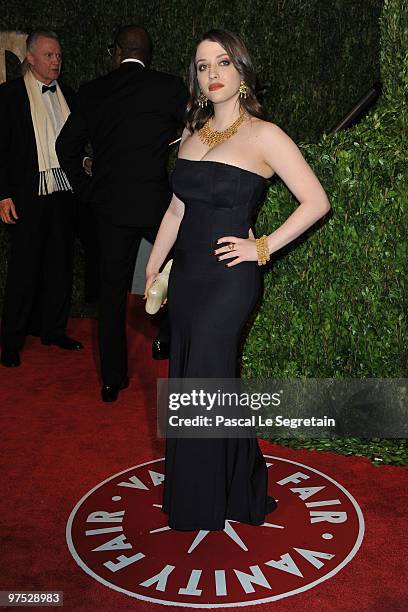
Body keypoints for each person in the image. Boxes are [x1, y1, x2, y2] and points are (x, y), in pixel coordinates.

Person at [145, 29, 331, 531]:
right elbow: (177, 210)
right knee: (197, 377)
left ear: (242, 70)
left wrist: (262, 246)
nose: (213, 75)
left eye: (222, 63)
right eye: (203, 66)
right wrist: (153, 265)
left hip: (230, 277)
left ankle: (201, 505)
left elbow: (317, 202)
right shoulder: (191, 134)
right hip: (186, 277)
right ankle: (237, 483)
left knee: (206, 373)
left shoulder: (265, 135)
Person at [56, 25, 188, 402]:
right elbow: (199, 132)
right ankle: (168, 343)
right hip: (158, 207)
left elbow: (65, 146)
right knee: (181, 272)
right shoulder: (168, 87)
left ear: (116, 53)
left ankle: (112, 380)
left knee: (111, 294)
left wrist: (87, 192)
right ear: (149, 56)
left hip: (110, 208)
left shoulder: (92, 91)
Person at [0, 29, 83, 369]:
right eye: (49, 55)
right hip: (27, 192)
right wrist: (3, 193)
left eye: (59, 55)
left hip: (65, 191)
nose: (56, 62)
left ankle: (53, 330)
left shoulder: (70, 94)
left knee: (60, 263)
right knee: (24, 267)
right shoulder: (8, 95)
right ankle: (11, 341)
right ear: (30, 58)